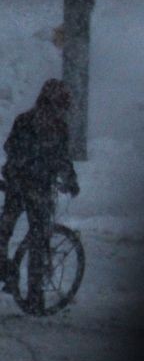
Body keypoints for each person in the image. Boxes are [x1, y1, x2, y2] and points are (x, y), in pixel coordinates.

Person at [0, 80, 79, 305]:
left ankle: (5, 269)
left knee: (5, 228)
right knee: (39, 238)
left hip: (17, 184)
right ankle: (35, 295)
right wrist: (71, 182)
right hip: (39, 188)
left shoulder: (24, 120)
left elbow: (9, 147)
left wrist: (19, 165)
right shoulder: (59, 127)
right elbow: (62, 159)